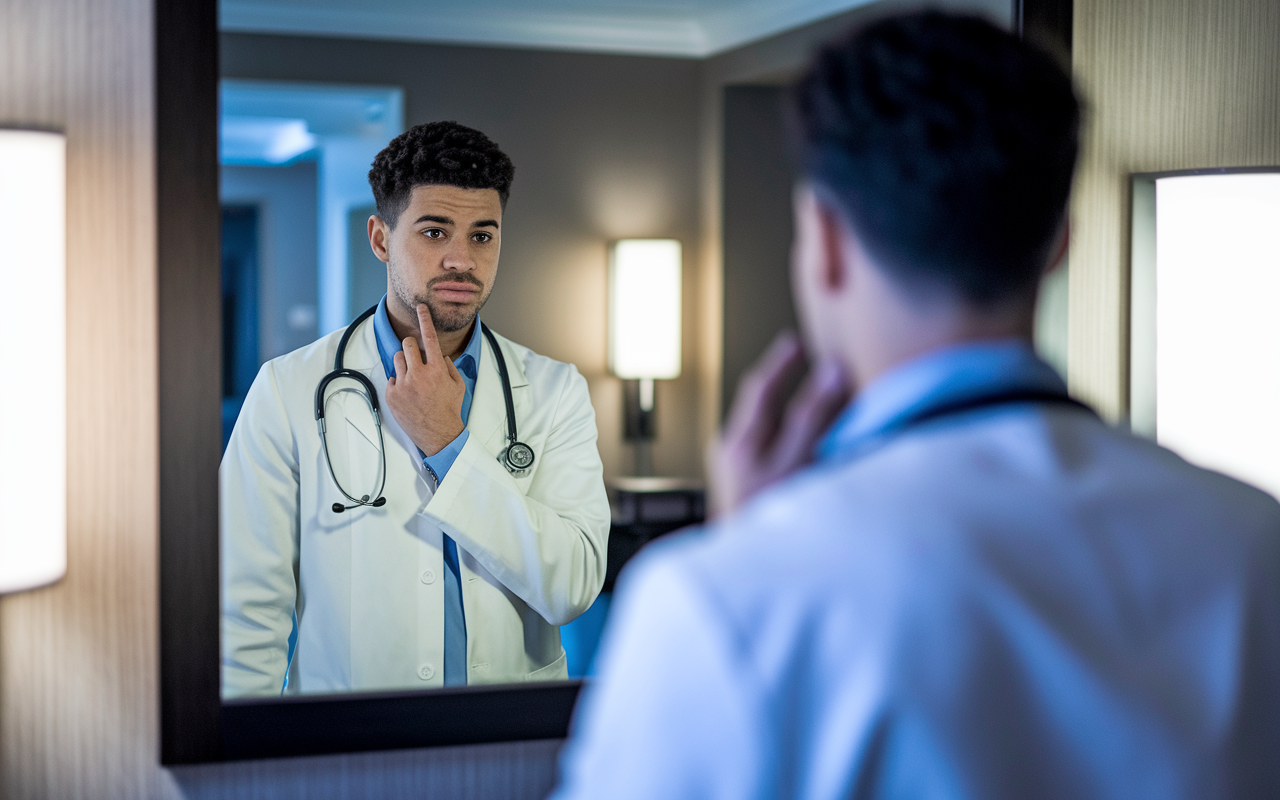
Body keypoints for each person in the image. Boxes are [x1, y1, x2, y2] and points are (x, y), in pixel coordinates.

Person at [553, 11, 1280, 799]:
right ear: (1059, 243)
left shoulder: (725, 598)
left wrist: (747, 556)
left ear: (825, 241)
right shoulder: (1253, 540)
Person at [221, 121, 610, 696]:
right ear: (380, 239)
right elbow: (245, 613)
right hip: (351, 744)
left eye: (483, 236)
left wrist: (448, 445)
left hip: (505, 738)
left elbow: (573, 587)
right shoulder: (287, 389)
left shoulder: (556, 390)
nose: (461, 260)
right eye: (434, 232)